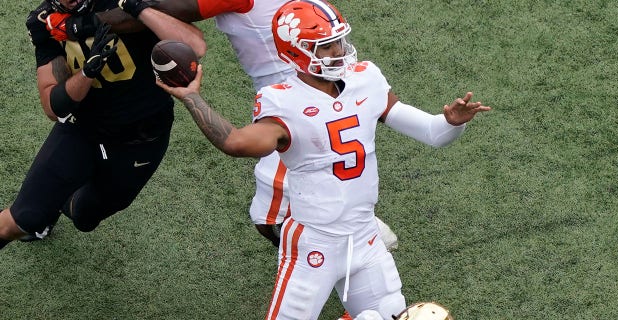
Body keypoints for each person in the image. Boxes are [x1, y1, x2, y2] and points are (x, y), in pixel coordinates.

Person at [158, 0, 491, 318]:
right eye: (326, 46)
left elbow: (432, 132)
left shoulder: (366, 79)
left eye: (339, 41)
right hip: (314, 244)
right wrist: (192, 98)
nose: (339, 51)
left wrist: (452, 122)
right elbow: (235, 143)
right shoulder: (282, 101)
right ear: (296, 51)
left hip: (365, 237)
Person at [46, 0, 399, 250]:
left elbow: (166, 9)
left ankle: (342, 253)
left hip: (297, 101)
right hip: (335, 85)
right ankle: (351, 237)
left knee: (269, 216)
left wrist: (90, 14)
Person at [0, 0, 205, 248]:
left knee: (84, 217)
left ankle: (59, 200)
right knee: (23, 218)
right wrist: (86, 74)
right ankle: (44, 209)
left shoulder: (120, 3)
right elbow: (53, 106)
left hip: (140, 141)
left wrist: (136, 10)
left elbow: (196, 45)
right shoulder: (44, 20)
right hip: (83, 130)